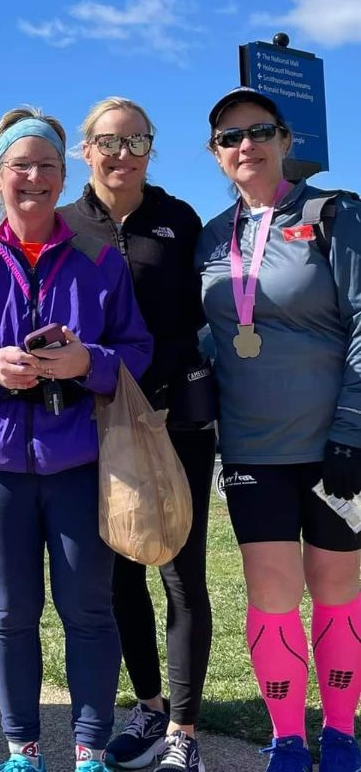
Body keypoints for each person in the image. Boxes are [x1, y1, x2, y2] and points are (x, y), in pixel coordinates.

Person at [0, 107, 153, 772]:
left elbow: (138, 349)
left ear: (62, 177)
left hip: (80, 462)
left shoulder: (98, 262)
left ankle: (89, 749)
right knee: (10, 613)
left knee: (87, 608)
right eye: (19, 166)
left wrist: (92, 364)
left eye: (47, 166)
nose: (34, 177)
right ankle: (22, 749)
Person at [197, 87, 361, 772]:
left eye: (260, 131)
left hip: (336, 446)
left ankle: (344, 735)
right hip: (250, 449)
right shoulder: (210, 236)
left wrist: (352, 429)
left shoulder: (333, 212)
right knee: (271, 594)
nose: (247, 145)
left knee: (336, 589)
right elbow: (207, 334)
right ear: (216, 154)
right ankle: (289, 738)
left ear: (287, 141)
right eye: (231, 137)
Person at [58, 97, 216, 772]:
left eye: (137, 141)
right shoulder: (62, 225)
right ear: (84, 151)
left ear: (152, 150)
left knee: (183, 573)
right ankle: (148, 707)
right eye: (108, 142)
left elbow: (205, 313)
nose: (123, 154)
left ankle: (184, 728)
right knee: (119, 572)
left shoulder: (179, 220)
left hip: (173, 418)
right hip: (93, 422)